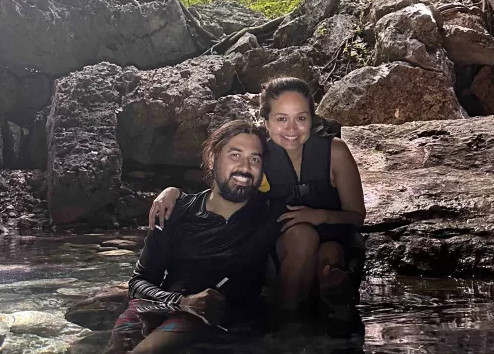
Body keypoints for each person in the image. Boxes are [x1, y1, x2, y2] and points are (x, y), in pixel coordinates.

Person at [54, 120, 279, 354]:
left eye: (255, 158)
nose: (245, 167)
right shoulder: (176, 211)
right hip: (167, 301)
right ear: (213, 159)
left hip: (207, 313)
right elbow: (138, 282)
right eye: (235, 155)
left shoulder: (268, 212)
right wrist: (180, 301)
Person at [150, 76, 366, 316]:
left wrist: (320, 215)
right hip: (288, 241)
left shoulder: (334, 151)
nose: (291, 129)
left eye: (301, 118)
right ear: (266, 122)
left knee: (330, 259)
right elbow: (223, 187)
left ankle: (331, 331)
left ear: (312, 119)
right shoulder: (259, 154)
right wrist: (174, 193)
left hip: (336, 236)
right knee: (303, 236)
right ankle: (288, 325)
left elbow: (357, 217)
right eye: (281, 119)